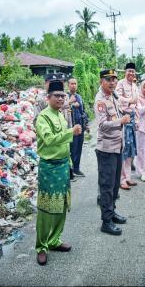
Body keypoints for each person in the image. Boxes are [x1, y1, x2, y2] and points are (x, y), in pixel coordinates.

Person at [34, 79, 82, 266]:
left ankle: (54, 240)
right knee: (47, 209)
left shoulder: (61, 115)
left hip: (62, 166)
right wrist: (71, 132)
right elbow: (49, 139)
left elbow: (64, 144)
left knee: (61, 205)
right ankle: (41, 247)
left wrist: (69, 163)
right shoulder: (43, 117)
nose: (61, 99)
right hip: (49, 168)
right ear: (49, 97)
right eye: (57, 96)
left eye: (62, 96)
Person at [95, 69, 130, 235]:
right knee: (107, 186)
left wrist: (124, 114)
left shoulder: (113, 95)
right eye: (108, 79)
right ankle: (106, 221)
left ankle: (112, 211)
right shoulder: (100, 100)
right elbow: (102, 125)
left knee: (115, 185)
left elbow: (116, 114)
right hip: (106, 149)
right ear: (102, 81)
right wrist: (120, 121)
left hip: (117, 146)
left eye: (114, 79)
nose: (112, 82)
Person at [116, 62, 139, 190]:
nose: (131, 73)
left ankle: (128, 177)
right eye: (129, 71)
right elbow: (118, 97)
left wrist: (137, 120)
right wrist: (128, 100)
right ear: (125, 72)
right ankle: (121, 179)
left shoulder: (135, 86)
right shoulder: (120, 83)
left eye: (133, 71)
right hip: (123, 118)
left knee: (131, 149)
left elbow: (137, 103)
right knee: (124, 148)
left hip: (132, 119)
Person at [67, 78, 89, 178]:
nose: (74, 85)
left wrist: (86, 125)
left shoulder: (79, 97)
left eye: (75, 83)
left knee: (79, 149)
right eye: (72, 84)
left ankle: (77, 169)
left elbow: (83, 111)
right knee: (72, 149)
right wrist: (70, 103)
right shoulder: (65, 97)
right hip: (71, 128)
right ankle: (70, 171)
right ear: (68, 85)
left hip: (80, 127)